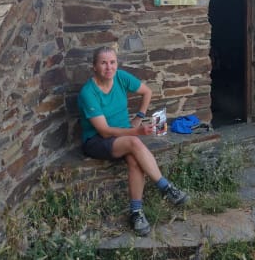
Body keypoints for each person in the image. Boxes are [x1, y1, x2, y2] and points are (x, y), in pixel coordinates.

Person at [78, 46, 189, 236]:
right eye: (103, 63)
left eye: (112, 62)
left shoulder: (121, 77)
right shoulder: (88, 92)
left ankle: (136, 213)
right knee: (135, 143)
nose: (109, 67)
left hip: (125, 135)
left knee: (135, 162)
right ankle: (165, 186)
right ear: (94, 67)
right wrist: (136, 130)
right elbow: (104, 131)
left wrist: (139, 116)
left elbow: (146, 92)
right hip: (96, 141)